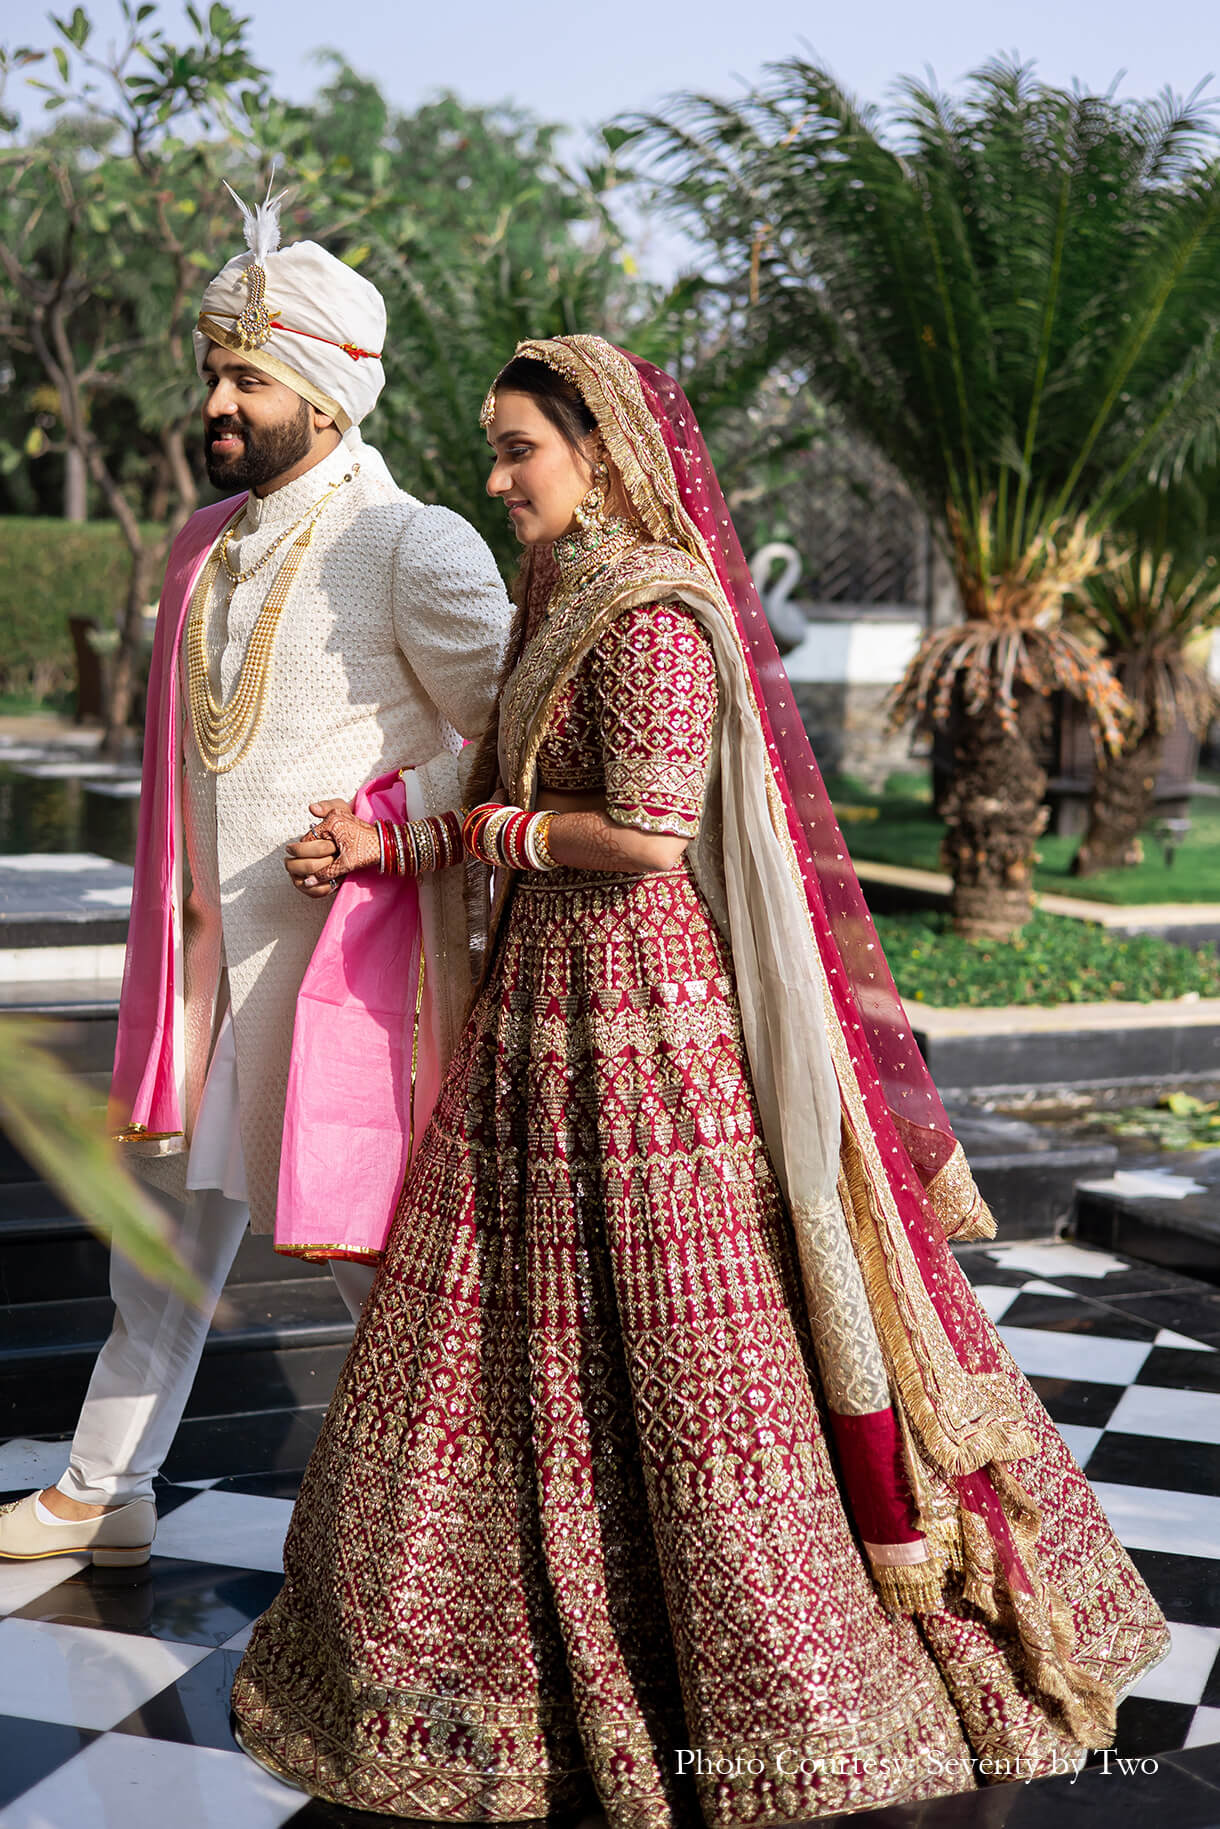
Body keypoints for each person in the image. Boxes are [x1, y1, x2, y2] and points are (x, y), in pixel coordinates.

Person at [230, 335, 1167, 1826]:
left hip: (650, 1019)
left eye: (517, 449)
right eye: (491, 446)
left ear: (597, 451)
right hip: (542, 1009)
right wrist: (398, 846)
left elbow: (653, 832)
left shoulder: (657, 610)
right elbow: (498, 791)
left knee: (685, 1344)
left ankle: (770, 1688)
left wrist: (491, 844)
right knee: (504, 1324)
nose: (496, 476)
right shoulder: (551, 593)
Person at [0, 188, 512, 1569]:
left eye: (245, 376)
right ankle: (107, 1486)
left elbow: (527, 733)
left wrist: (393, 822)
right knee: (158, 1240)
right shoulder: (205, 545)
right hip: (206, 959)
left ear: (331, 396)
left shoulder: (412, 544)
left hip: (345, 966)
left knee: (369, 1258)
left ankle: (457, 1537)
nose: (216, 398)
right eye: (214, 372)